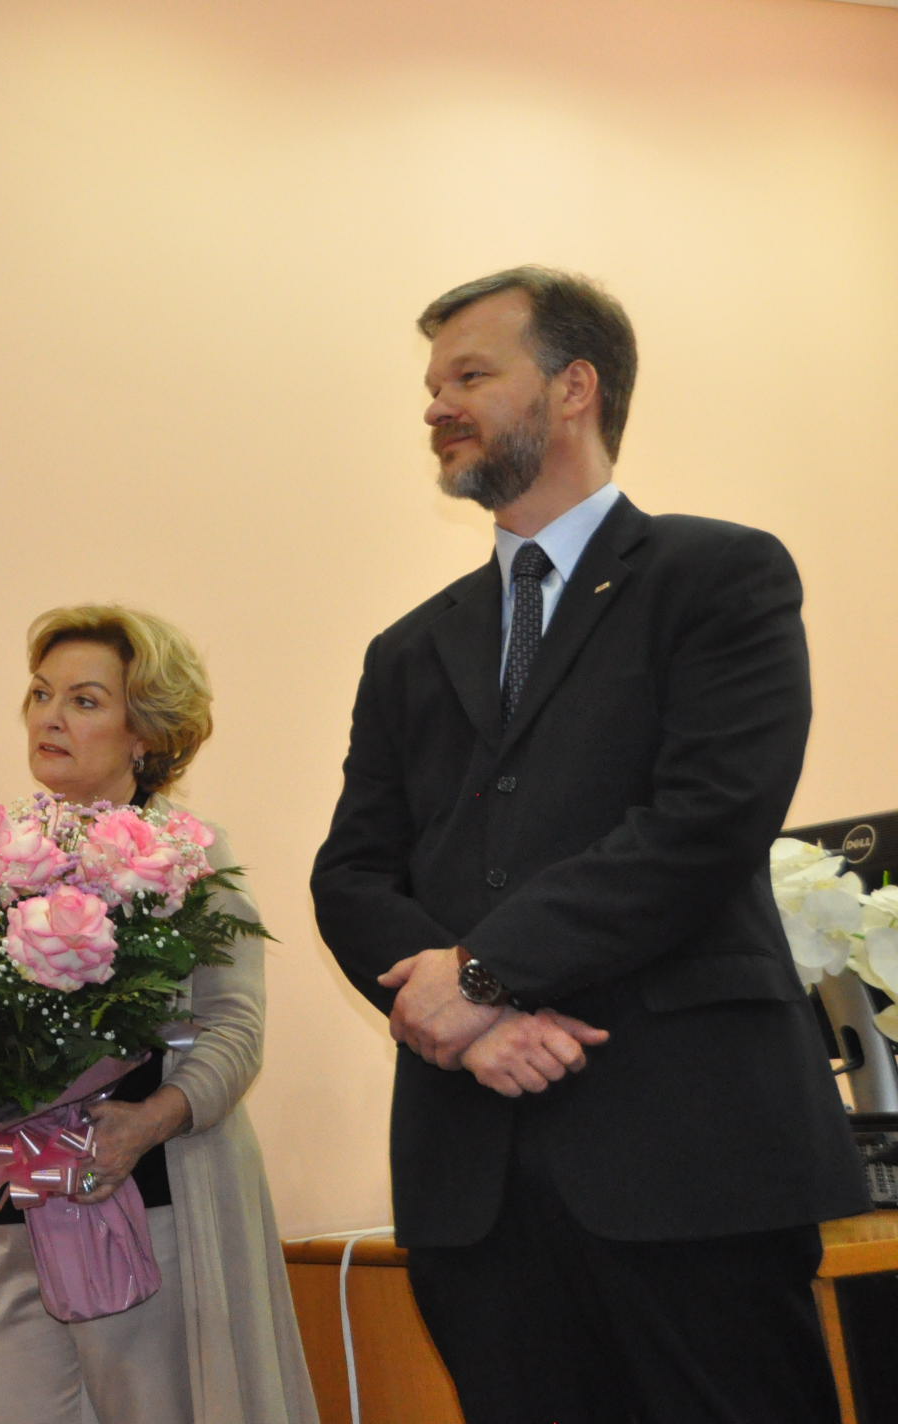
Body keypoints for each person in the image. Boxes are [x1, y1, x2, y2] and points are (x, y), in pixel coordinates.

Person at [312, 267, 865, 1424]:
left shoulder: (716, 575)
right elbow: (351, 871)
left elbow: (703, 821)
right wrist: (474, 1023)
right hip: (475, 1175)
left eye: (469, 374)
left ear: (573, 387)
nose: (435, 405)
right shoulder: (407, 648)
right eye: (430, 384)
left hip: (688, 1154)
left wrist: (479, 972)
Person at [0, 604, 316, 1424]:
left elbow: (235, 1029)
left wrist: (145, 1124)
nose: (50, 717)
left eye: (84, 700)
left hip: (152, 1193)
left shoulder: (190, 852)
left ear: (145, 734)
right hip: (20, 1208)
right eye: (41, 693)